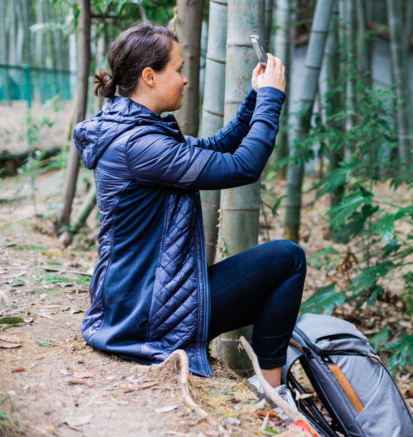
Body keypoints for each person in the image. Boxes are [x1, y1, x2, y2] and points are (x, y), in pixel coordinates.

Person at [73, 23, 305, 398]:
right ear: (149, 76)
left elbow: (217, 146)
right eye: (177, 70)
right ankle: (272, 392)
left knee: (277, 268)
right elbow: (244, 166)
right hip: (148, 315)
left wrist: (255, 96)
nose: (184, 80)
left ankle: (269, 385)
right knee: (288, 259)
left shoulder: (133, 129)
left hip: (138, 301)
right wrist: (272, 100)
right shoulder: (140, 147)